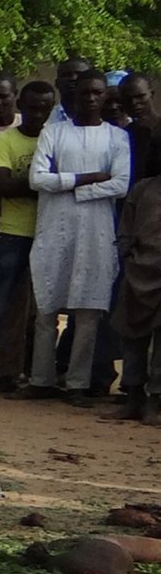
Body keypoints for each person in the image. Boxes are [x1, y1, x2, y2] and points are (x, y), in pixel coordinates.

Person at [25, 72, 133, 402]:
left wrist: (72, 190)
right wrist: (87, 179)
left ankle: (77, 384)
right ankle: (40, 380)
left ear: (105, 97)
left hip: (96, 233)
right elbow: (36, 179)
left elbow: (120, 184)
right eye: (84, 92)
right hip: (53, 230)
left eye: (97, 93)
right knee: (46, 307)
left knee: (88, 313)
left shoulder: (117, 138)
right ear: (74, 96)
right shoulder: (54, 131)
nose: (90, 98)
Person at [0, 79, 52, 395]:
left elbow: (18, 184)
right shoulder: (4, 141)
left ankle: (13, 374)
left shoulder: (55, 138)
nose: (38, 114)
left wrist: (33, 184)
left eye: (45, 108)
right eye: (32, 107)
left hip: (47, 235)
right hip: (11, 234)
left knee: (33, 314)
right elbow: (3, 187)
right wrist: (50, 183)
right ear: (20, 105)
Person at [110, 170, 161, 424]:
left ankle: (155, 401)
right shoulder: (142, 188)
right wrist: (127, 254)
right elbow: (126, 227)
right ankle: (133, 397)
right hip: (138, 271)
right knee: (131, 338)